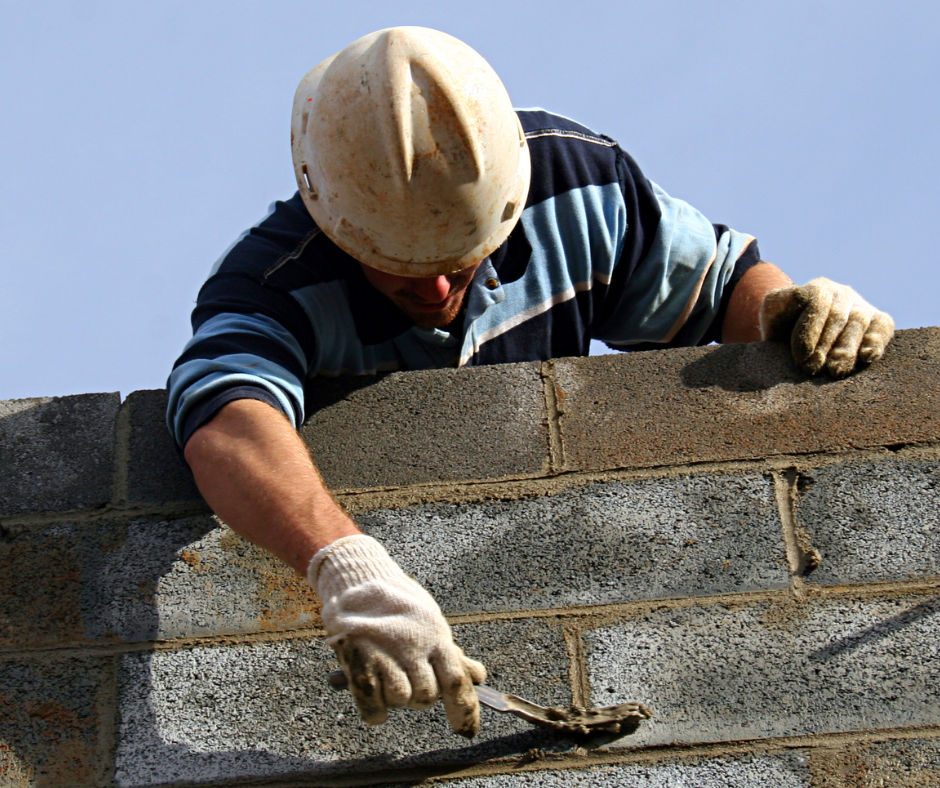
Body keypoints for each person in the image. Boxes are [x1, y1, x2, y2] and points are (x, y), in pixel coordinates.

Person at [167, 27, 894, 739]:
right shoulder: (274, 283)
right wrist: (349, 572)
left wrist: (788, 311)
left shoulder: (577, 183)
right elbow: (226, 418)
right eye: (401, 262)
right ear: (333, 222)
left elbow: (723, 287)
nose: (441, 283)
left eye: (461, 250)